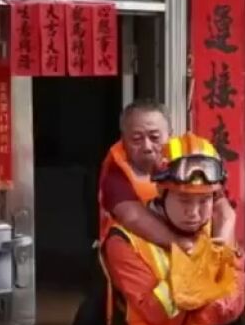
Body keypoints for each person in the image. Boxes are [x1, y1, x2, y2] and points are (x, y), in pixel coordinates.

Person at [99, 134, 245, 325]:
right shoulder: (123, 240)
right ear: (161, 192)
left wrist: (223, 257)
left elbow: (220, 313)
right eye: (184, 200)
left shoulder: (217, 233)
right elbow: (154, 313)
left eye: (204, 201)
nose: (195, 212)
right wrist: (190, 266)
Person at [99, 100, 236, 251]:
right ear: (123, 139)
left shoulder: (186, 157)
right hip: (132, 253)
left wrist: (222, 249)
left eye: (155, 137)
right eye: (137, 139)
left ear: (170, 135)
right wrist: (182, 244)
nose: (147, 147)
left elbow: (224, 209)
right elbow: (132, 216)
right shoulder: (116, 169)